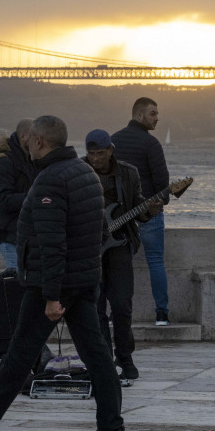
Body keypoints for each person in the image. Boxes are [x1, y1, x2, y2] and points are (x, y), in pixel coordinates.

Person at [0, 115, 126, 431]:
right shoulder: (86, 173)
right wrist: (84, 277)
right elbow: (98, 233)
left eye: (29, 140)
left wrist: (53, 294)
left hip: (51, 284)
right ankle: (111, 428)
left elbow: (51, 242)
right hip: (81, 280)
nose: (24, 143)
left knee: (20, 353)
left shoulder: (50, 181)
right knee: (97, 354)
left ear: (39, 141)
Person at [83, 129, 148, 383]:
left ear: (110, 150)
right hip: (89, 249)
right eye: (91, 154)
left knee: (122, 305)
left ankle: (125, 356)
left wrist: (149, 210)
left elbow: (139, 209)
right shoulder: (79, 170)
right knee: (95, 308)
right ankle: (103, 358)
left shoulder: (128, 173)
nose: (95, 158)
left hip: (119, 246)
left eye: (100, 153)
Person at [112, 97, 171, 326]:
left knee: (117, 264)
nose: (157, 118)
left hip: (119, 216)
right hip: (149, 213)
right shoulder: (151, 144)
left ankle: (113, 314)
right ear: (139, 115)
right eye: (153, 114)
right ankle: (161, 314)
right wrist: (159, 203)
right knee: (155, 260)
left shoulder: (112, 141)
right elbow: (163, 185)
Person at [0, 118, 36, 270]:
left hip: (28, 237)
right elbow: (2, 200)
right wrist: (34, 197)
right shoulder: (5, 163)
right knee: (16, 285)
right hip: (11, 237)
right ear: (23, 137)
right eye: (35, 137)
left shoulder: (32, 160)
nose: (39, 141)